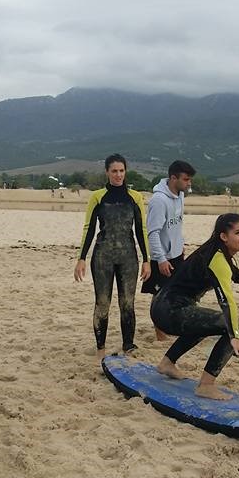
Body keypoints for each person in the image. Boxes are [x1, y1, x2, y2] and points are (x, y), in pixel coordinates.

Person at [151, 214, 239, 399]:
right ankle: (206, 385)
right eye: (238, 233)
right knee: (238, 326)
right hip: (171, 311)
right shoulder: (217, 258)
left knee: (203, 323)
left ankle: (167, 363)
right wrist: (234, 335)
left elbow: (234, 274)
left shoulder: (216, 251)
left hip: (163, 306)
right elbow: (226, 301)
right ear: (224, 237)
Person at [74, 154, 151, 359]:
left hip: (128, 257)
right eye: (114, 171)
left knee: (128, 302)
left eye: (121, 171)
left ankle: (128, 346)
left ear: (126, 172)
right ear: (107, 172)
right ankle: (101, 349)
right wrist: (81, 258)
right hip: (102, 257)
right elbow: (89, 228)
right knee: (102, 303)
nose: (118, 175)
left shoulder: (135, 197)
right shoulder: (97, 197)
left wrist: (146, 259)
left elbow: (141, 229)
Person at [142, 160, 196, 340]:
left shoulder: (180, 195)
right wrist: (161, 259)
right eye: (186, 179)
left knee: (175, 293)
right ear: (173, 178)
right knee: (159, 295)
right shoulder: (158, 201)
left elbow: (175, 226)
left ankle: (170, 327)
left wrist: (180, 247)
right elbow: (153, 233)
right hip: (162, 257)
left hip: (177, 254)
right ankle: (160, 336)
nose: (189, 183)